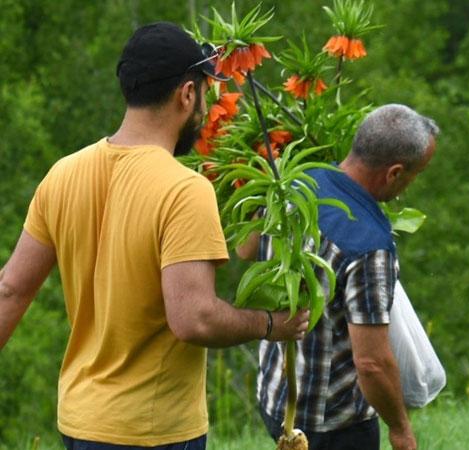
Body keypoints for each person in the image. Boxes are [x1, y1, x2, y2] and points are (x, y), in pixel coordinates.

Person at [0, 22, 308, 449]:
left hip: (79, 421)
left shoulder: (63, 174)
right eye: (203, 93)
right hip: (152, 432)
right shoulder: (184, 189)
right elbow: (193, 317)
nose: (203, 110)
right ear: (186, 94)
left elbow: (10, 290)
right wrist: (270, 324)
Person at [238, 104, 438, 450]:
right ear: (394, 173)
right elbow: (372, 363)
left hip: (277, 395)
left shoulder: (295, 179)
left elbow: (244, 249)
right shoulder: (368, 246)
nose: (412, 184)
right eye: (416, 174)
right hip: (331, 424)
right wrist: (401, 430)